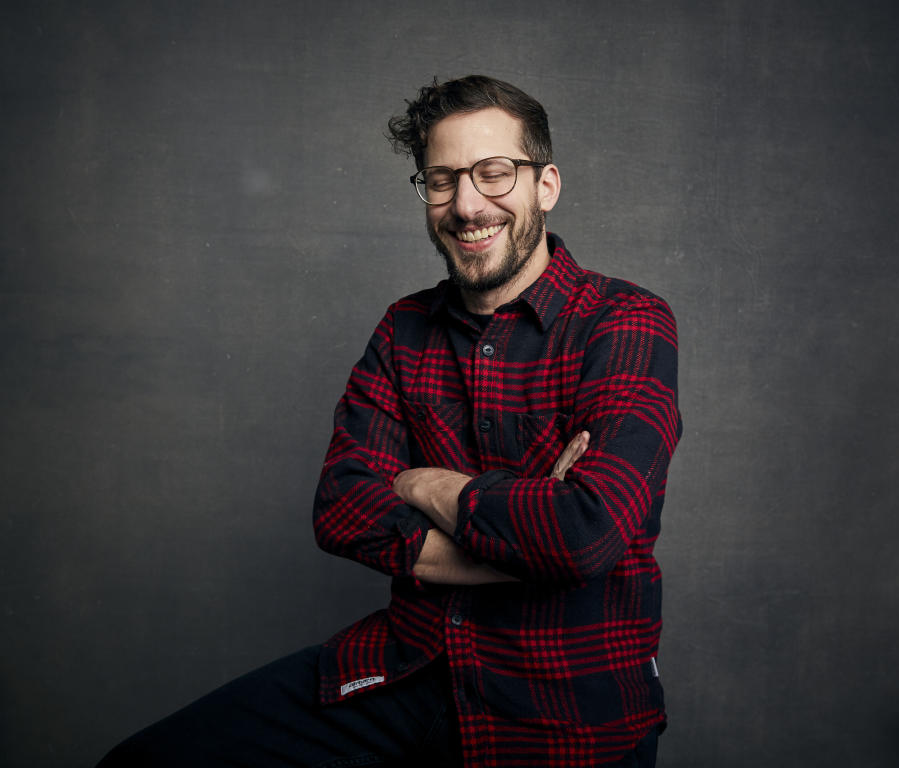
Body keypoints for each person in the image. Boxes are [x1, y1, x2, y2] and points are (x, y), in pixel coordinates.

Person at [97, 75, 681, 768]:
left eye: (494, 174)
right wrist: (524, 544)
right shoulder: (404, 328)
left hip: (564, 706)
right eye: (442, 180)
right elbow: (341, 507)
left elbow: (585, 536)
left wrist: (423, 486)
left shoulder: (626, 321)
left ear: (545, 185)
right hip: (410, 669)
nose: (467, 205)